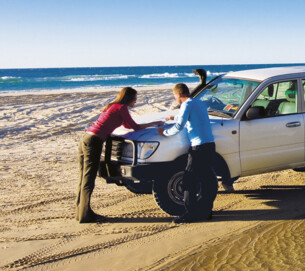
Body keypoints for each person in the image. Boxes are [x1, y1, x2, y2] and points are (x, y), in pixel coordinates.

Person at [78, 87, 163, 223]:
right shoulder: (121, 108)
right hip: (94, 141)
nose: (136, 101)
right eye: (135, 98)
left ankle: (81, 212)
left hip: (86, 138)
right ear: (129, 98)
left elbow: (126, 124)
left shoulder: (113, 106)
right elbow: (135, 127)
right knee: (89, 178)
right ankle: (85, 215)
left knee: (84, 177)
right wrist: (155, 123)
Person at [158, 83, 217, 223]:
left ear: (178, 94)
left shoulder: (186, 105)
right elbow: (190, 118)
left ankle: (190, 213)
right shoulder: (198, 102)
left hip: (199, 147)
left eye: (174, 96)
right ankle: (206, 211)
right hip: (209, 145)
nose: (175, 99)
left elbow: (179, 126)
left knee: (188, 180)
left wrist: (165, 132)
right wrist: (173, 117)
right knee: (206, 180)